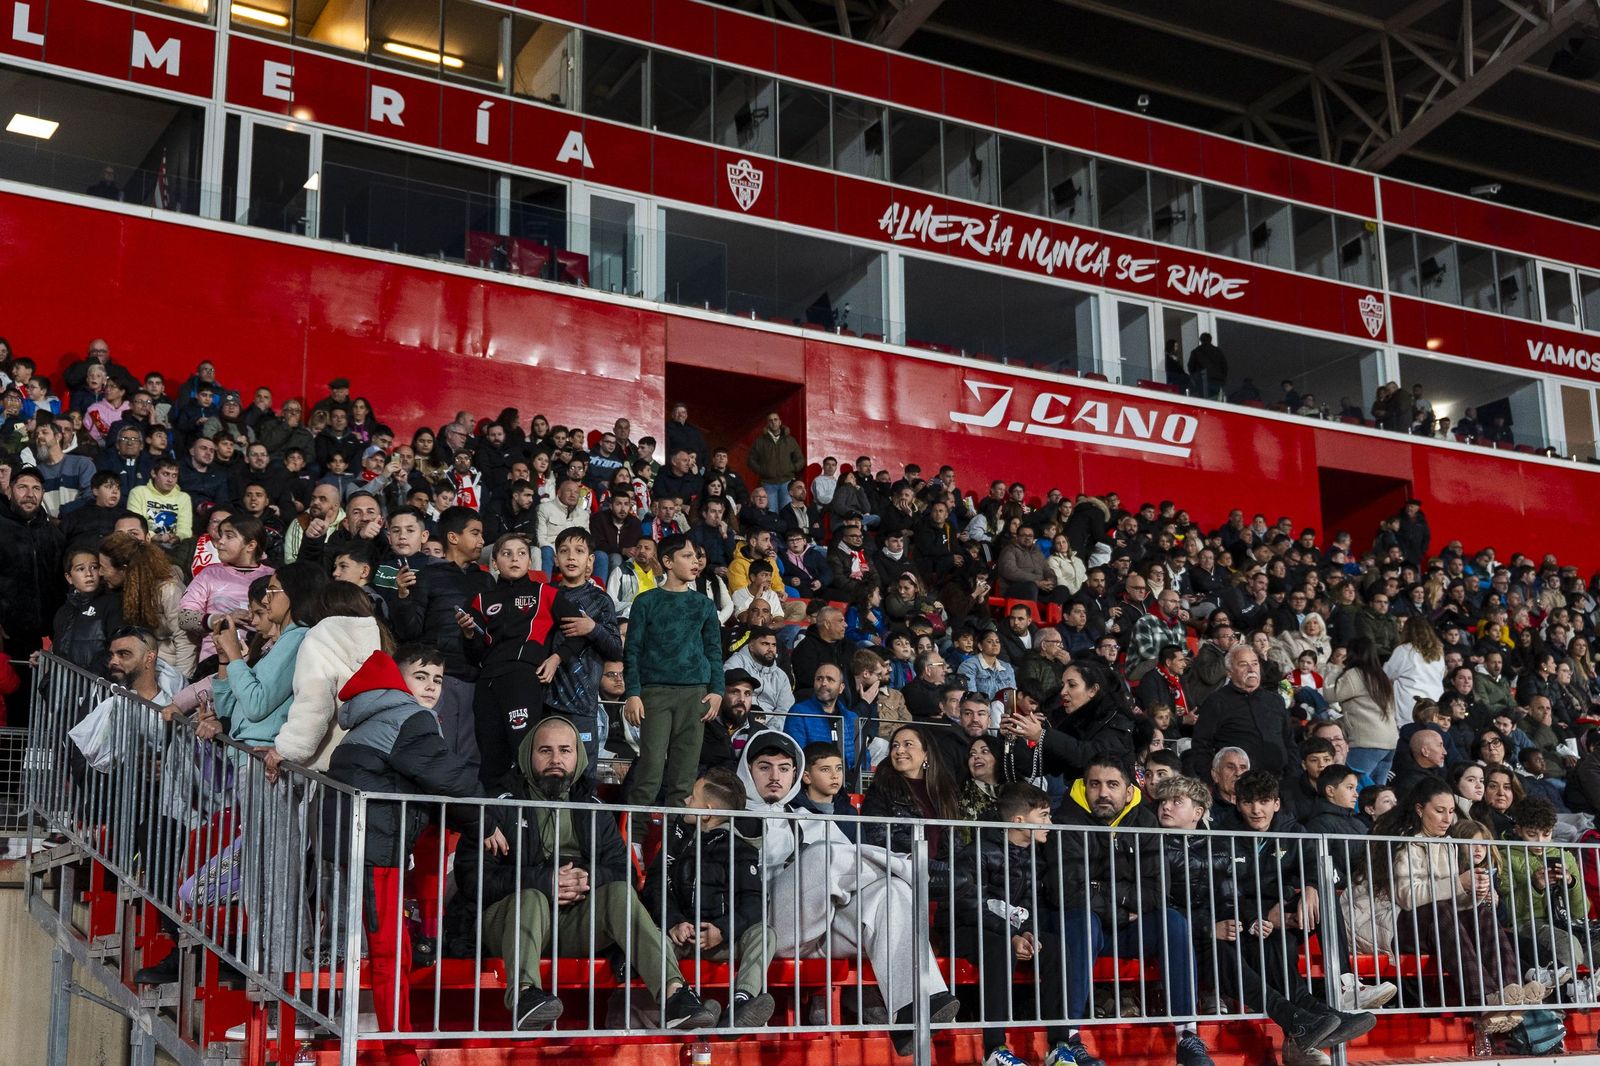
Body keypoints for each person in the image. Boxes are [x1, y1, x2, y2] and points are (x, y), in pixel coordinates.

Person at [450, 716, 717, 1030]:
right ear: (528, 756)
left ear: (578, 756)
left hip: (575, 922)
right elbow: (472, 877)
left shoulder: (593, 807)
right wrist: (546, 881)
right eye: (545, 751)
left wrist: (584, 877)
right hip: (508, 924)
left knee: (620, 892)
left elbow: (625, 873)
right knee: (533, 898)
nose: (556, 760)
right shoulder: (499, 804)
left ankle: (675, 996)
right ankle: (525, 998)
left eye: (565, 750)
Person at [325, 650, 482, 1066]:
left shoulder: (375, 716)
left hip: (372, 845)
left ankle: (401, 1041)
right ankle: (399, 1052)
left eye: (438, 678)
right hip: (376, 848)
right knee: (388, 952)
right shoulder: (409, 717)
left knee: (398, 950)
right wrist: (490, 819)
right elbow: (449, 778)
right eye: (421, 676)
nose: (431, 685)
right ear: (399, 680)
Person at [1055, 754, 1216, 1066]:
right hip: (1084, 927)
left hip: (1126, 926)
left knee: (1172, 921)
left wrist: (1101, 889)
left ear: (1129, 791)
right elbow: (1069, 889)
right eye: (1095, 784)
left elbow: (1156, 891)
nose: (1103, 792)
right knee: (1083, 920)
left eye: (1112, 785)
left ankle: (1188, 1036)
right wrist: (1117, 907)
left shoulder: (1145, 821)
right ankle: (1069, 1039)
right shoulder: (1066, 820)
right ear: (1084, 787)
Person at [1362, 781, 1544, 1033]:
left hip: (1436, 925)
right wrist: (1459, 883)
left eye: (1451, 811)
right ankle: (1482, 997)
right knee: (1441, 910)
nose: (1447, 818)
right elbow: (1407, 898)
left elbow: (1456, 900)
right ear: (1419, 809)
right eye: (1439, 811)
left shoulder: (1448, 844)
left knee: (1481, 913)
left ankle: (1508, 992)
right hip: (1394, 926)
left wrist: (1474, 894)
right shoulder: (1402, 843)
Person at [959, 783, 1095, 1066]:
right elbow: (968, 904)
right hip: (964, 928)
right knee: (999, 948)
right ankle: (994, 1050)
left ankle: (1058, 1045)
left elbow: (1029, 904)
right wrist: (1011, 936)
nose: (1050, 822)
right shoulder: (979, 850)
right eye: (1043, 816)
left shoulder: (1033, 855)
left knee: (1055, 947)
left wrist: (1028, 931)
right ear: (1019, 821)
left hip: (1008, 932)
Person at [643, 767, 778, 1028]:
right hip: (680, 937)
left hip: (722, 940)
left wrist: (723, 930)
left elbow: (754, 902)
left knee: (765, 933)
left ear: (706, 813)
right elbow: (655, 886)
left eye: (691, 798)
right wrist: (675, 922)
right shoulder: (678, 841)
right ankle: (685, 1004)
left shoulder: (740, 849)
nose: (684, 802)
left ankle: (741, 1002)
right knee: (652, 937)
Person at [462, 532, 583, 792]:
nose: (514, 559)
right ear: (494, 562)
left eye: (521, 553)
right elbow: (473, 654)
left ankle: (526, 824)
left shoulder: (545, 593)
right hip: (487, 683)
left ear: (530, 562)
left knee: (523, 754)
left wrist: (556, 658)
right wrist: (470, 634)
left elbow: (581, 632)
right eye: (506, 554)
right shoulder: (481, 600)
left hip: (523, 680)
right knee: (490, 759)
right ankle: (492, 826)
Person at [622, 534, 724, 825]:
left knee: (684, 776)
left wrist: (717, 690)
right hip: (654, 694)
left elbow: (714, 651)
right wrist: (633, 693)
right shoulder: (646, 601)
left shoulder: (704, 605)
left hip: (696, 696)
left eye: (697, 557)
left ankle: (676, 844)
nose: (695, 562)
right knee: (650, 771)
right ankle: (635, 842)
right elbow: (633, 651)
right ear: (667, 562)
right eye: (687, 556)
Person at [391, 507, 491, 680]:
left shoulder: (487, 580)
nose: (482, 540)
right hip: (438, 675)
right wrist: (403, 597)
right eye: (475, 533)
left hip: (477, 676)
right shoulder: (426, 576)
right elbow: (409, 632)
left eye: (481, 534)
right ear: (453, 537)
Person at [1189, 645, 1298, 778]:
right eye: (1243, 665)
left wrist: (1293, 776)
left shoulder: (1275, 700)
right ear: (1229, 672)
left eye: (1255, 664)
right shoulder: (1216, 702)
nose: (1251, 669)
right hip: (1238, 785)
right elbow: (1201, 746)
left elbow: (1289, 742)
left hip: (1279, 782)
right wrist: (1212, 781)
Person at [99, 531, 192, 679]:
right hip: (146, 667)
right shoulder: (125, 590)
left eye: (104, 567)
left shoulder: (168, 590)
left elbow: (185, 640)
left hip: (170, 669)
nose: (100, 573)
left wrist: (182, 684)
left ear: (123, 569)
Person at [1323, 637, 1398, 786]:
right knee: (1378, 793)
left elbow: (1330, 695)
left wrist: (1333, 668)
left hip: (1367, 742)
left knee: (1351, 786)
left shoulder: (1355, 674)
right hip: (1390, 742)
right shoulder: (1380, 675)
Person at [747, 412, 804, 512]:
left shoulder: (790, 440)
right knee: (771, 512)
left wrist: (792, 468)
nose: (773, 422)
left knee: (787, 512)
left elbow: (800, 459)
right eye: (770, 420)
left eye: (775, 419)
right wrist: (762, 470)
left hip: (787, 483)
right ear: (768, 424)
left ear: (780, 422)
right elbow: (751, 460)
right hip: (768, 483)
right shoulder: (760, 441)